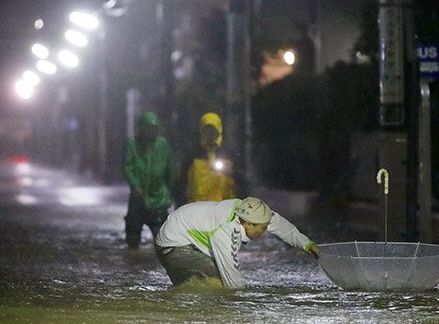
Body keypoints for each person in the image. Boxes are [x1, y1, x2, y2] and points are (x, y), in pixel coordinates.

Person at [154, 197, 319, 288]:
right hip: (172, 247)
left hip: (187, 238)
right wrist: (244, 305)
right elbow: (232, 278)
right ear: (248, 224)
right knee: (217, 283)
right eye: (262, 229)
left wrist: (307, 244)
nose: (264, 232)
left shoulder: (251, 211)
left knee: (195, 286)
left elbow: (282, 226)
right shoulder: (226, 231)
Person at [123, 111, 175, 249]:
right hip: (138, 200)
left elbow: (170, 171)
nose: (152, 131)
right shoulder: (132, 144)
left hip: (158, 199)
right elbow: (128, 167)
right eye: (148, 128)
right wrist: (134, 185)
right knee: (132, 238)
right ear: (141, 128)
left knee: (162, 241)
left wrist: (169, 192)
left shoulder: (163, 145)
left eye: (154, 128)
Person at [177, 112, 244, 205]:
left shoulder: (229, 155)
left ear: (219, 131)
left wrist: (232, 173)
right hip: (197, 209)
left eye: (213, 130)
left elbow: (241, 182)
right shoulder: (193, 155)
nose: (210, 134)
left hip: (223, 209)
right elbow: (182, 183)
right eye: (206, 130)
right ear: (201, 131)